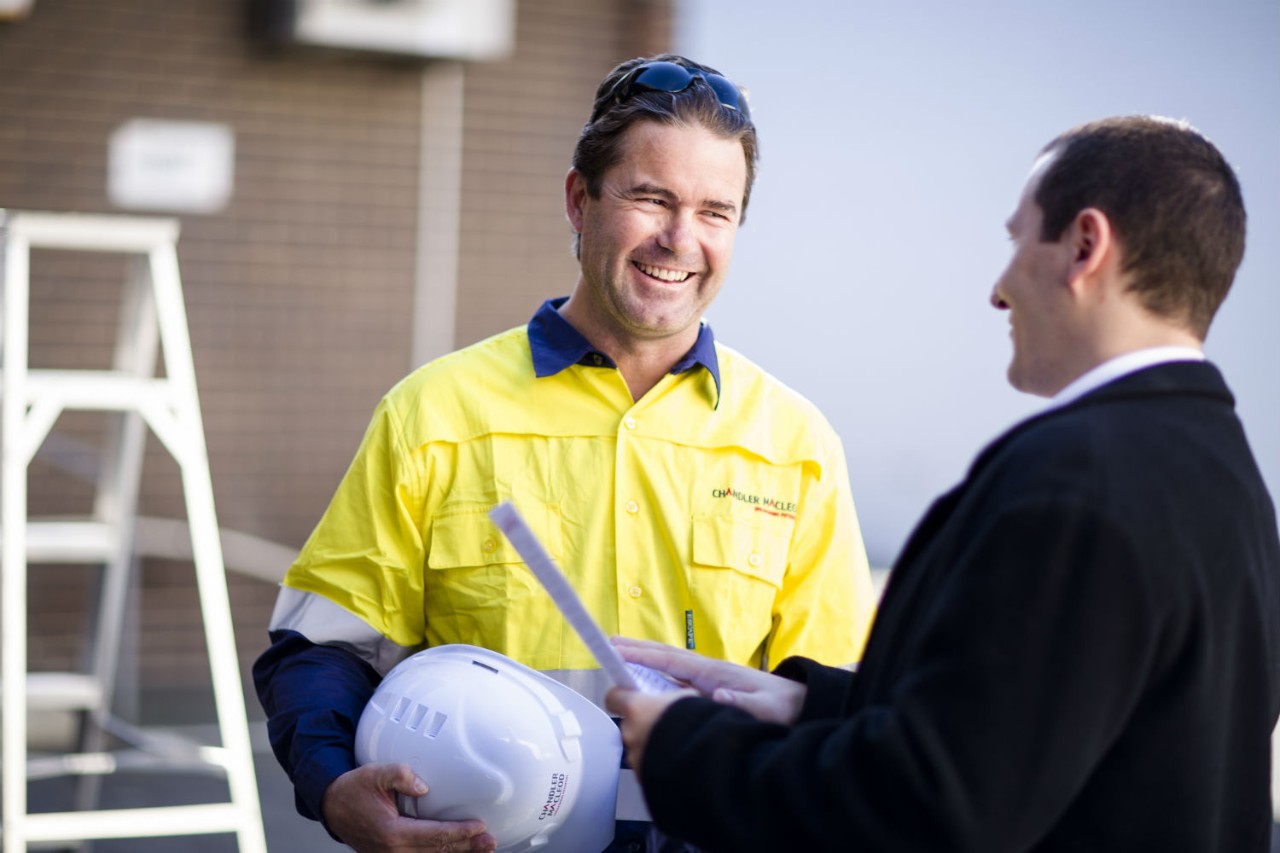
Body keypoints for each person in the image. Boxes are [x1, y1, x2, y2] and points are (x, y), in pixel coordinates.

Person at [253, 53, 878, 853]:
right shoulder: (436, 411)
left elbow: (835, 711)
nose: (681, 240)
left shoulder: (795, 444)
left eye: (716, 211)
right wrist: (335, 786)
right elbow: (325, 645)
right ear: (581, 200)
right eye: (651, 197)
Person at [607, 115, 1280, 852]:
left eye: (1018, 239)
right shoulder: (1230, 480)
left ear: (1085, 246)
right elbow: (1041, 726)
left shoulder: (1075, 482)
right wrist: (814, 706)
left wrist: (686, 744)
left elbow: (929, 811)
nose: (999, 289)